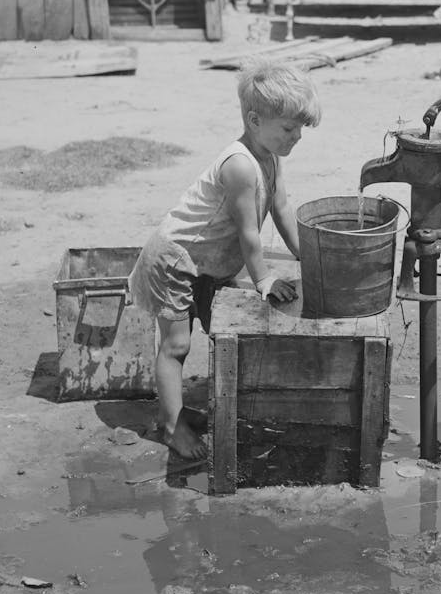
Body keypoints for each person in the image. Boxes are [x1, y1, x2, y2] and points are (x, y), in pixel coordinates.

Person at [129, 60, 322, 460]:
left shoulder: (271, 156)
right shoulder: (239, 165)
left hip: (205, 262)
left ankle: (175, 410)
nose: (298, 136)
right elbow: (248, 232)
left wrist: (308, 256)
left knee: (215, 327)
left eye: (301, 128)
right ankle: (171, 427)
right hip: (174, 259)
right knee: (176, 345)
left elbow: (282, 208)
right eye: (289, 128)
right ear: (254, 120)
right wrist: (263, 279)